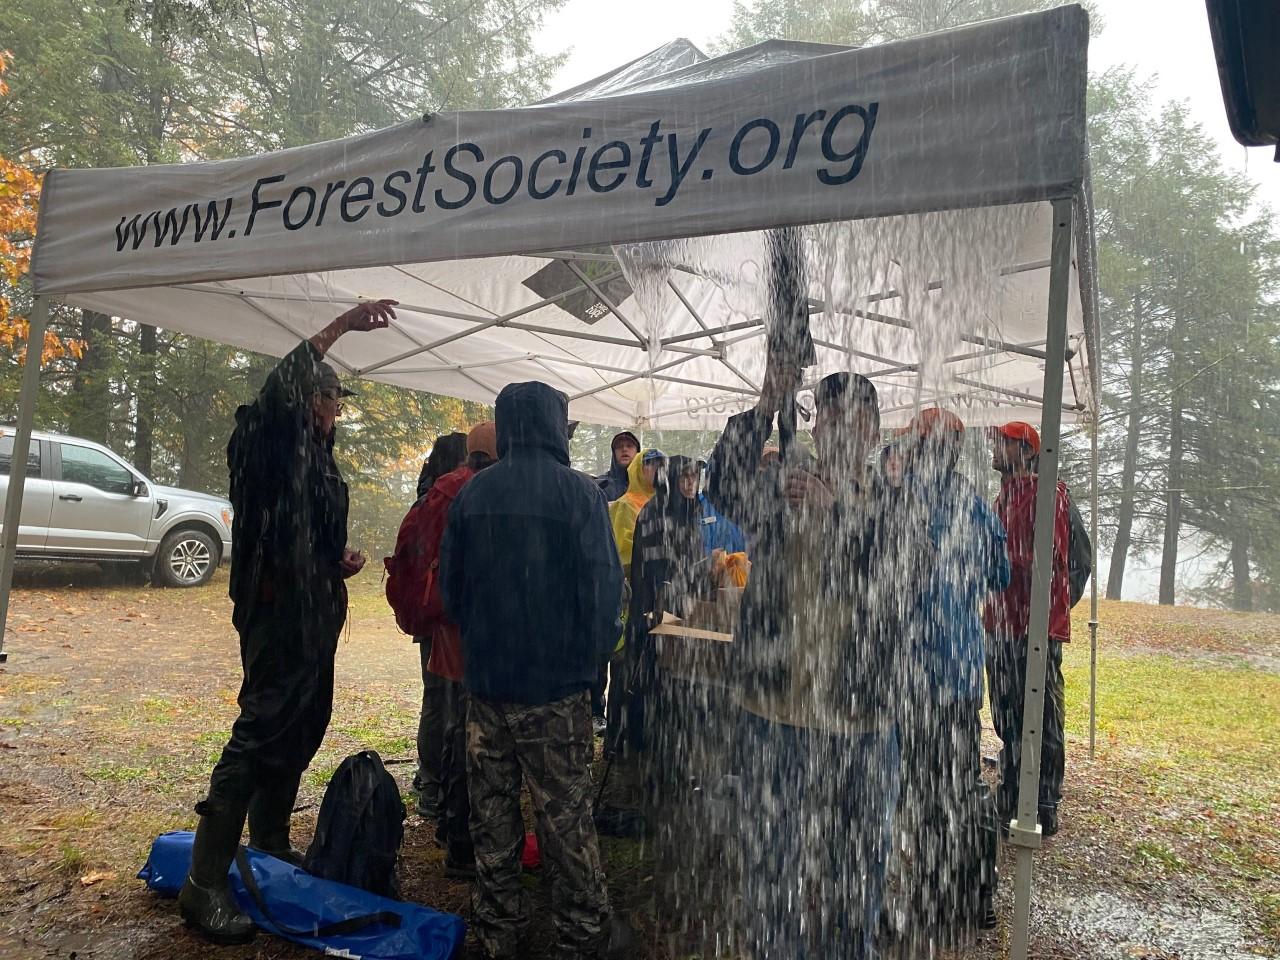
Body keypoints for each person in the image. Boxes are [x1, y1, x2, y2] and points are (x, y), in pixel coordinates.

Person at [178, 299, 395, 945]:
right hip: (275, 614)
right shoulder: (265, 437)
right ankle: (203, 882)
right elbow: (281, 390)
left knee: (304, 722)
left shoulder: (317, 458)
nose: (337, 413)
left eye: (338, 404)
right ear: (308, 399)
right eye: (331, 400)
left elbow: (308, 533)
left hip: (314, 610)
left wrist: (337, 562)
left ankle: (268, 841)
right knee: (260, 730)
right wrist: (338, 328)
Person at [706, 362, 927, 959]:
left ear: (874, 430)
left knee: (855, 881)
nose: (839, 428)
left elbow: (904, 586)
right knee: (770, 879)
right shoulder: (782, 486)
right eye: (827, 415)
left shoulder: (895, 504)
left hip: (862, 725)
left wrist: (841, 515)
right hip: (773, 714)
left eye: (854, 417)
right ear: (814, 424)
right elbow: (721, 481)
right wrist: (767, 400)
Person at [440, 381, 626, 960]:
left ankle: (499, 934)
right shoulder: (579, 494)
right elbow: (603, 592)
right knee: (564, 818)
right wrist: (592, 666)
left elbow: (450, 591)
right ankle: (584, 936)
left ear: (508, 425)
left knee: (491, 819)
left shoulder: (472, 495)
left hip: (487, 688)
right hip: (555, 689)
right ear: (553, 425)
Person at [896, 408, 1009, 944]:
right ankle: (975, 892)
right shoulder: (974, 505)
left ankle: (933, 894)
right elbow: (1002, 573)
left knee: (924, 787)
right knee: (961, 782)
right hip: (961, 669)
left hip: (918, 671)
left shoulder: (903, 503)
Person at [416, 422, 498, 880]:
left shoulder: (445, 487)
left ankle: (450, 826)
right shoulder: (472, 489)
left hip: (446, 621)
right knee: (467, 727)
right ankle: (460, 835)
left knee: (452, 720)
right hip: (465, 627)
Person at [984, 420, 1072, 837]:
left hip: (1033, 626)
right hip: (1000, 622)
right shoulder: (1004, 495)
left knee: (1039, 715)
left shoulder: (1046, 492)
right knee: (1007, 713)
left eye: (1004, 443)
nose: (996, 449)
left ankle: (1042, 801)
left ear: (1025, 450)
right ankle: (1015, 789)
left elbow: (1050, 558)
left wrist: (995, 559)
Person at [412, 432, 469, 820]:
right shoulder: (454, 496)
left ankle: (430, 780)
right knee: (449, 699)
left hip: (429, 612)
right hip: (451, 615)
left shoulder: (426, 497)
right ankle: (439, 782)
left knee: (436, 698)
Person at [694, 460, 747, 556]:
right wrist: (709, 556)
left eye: (732, 478)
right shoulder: (695, 506)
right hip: (710, 567)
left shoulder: (744, 508)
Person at [595, 431, 641, 501]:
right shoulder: (601, 485)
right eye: (619, 447)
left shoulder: (647, 484)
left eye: (629, 446)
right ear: (614, 453)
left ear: (637, 452)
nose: (624, 449)